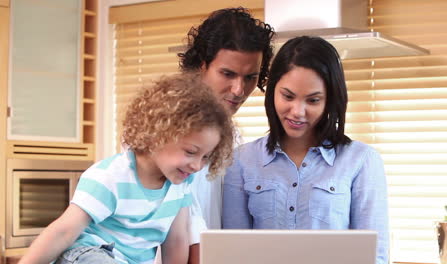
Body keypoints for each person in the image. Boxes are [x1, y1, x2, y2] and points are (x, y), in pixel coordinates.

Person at [19, 73, 234, 264]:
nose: (197, 165)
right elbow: (63, 232)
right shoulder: (110, 176)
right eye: (190, 152)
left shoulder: (180, 184)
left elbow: (176, 241)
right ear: (158, 134)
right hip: (86, 253)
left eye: (206, 157)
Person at [222, 36, 389, 264]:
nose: (297, 112)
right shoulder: (242, 161)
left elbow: (375, 257)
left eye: (312, 100)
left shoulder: (361, 161)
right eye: (288, 96)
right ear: (272, 92)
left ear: (329, 100)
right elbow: (233, 254)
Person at [178, 7, 275, 263]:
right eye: (228, 74)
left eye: (251, 77)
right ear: (202, 66)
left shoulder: (233, 136)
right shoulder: (165, 126)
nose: (238, 89)